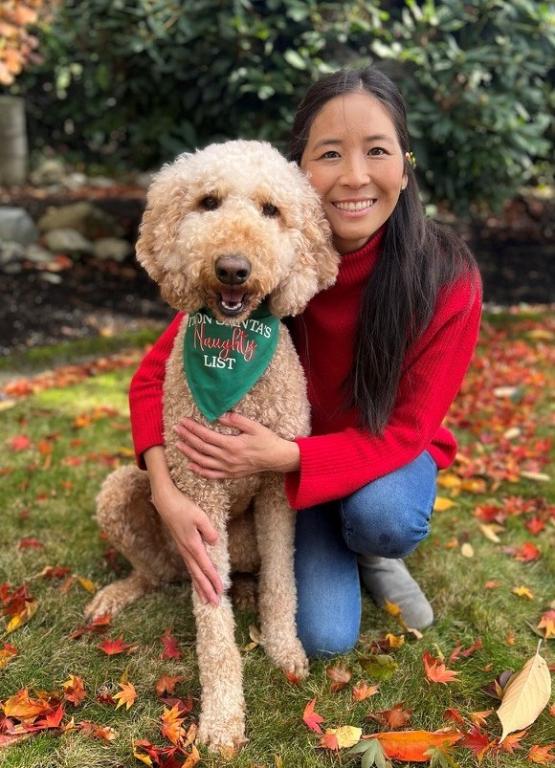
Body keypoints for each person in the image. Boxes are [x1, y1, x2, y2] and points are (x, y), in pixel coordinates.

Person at [128, 67, 482, 657]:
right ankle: (337, 534)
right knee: (322, 637)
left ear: (405, 160)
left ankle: (371, 545)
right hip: (298, 478)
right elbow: (150, 378)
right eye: (330, 154)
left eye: (377, 151)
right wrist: (166, 492)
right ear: (299, 169)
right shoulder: (264, 262)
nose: (354, 176)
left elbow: (405, 431)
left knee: (384, 514)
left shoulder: (446, 278)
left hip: (379, 457)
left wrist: (283, 454)